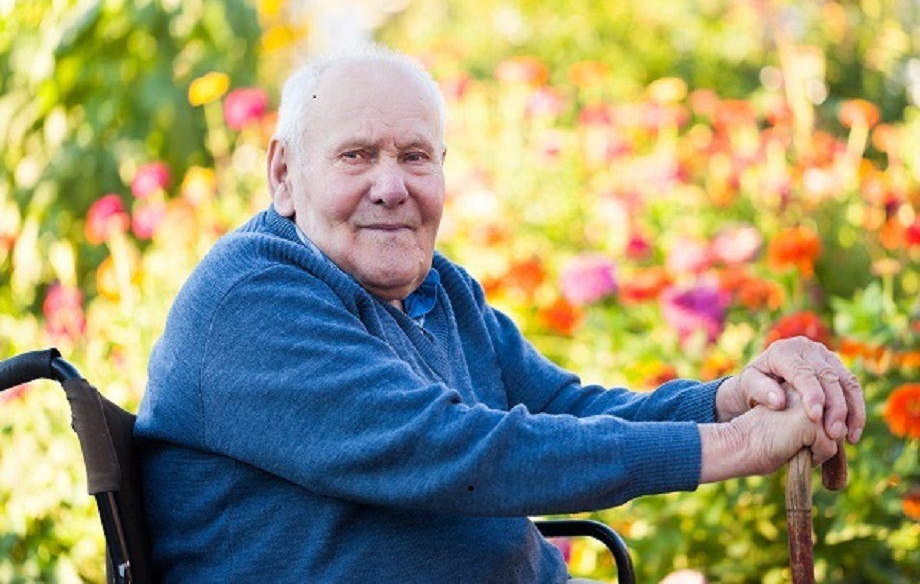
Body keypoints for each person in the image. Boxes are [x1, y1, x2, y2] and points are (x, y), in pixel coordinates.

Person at [134, 44, 865, 583]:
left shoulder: (438, 291)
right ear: (284, 175)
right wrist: (737, 445)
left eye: (416, 157)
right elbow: (452, 451)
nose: (391, 186)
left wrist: (733, 397)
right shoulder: (252, 297)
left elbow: (567, 408)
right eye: (356, 155)